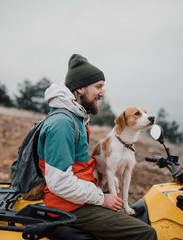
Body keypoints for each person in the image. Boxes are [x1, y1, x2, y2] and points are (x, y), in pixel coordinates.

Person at [37, 54, 157, 240]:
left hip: (79, 198)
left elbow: (78, 165)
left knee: (145, 213)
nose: (102, 93)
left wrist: (105, 183)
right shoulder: (62, 124)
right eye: (98, 87)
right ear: (80, 89)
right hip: (68, 205)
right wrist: (101, 198)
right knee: (146, 233)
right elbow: (59, 182)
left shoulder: (75, 119)